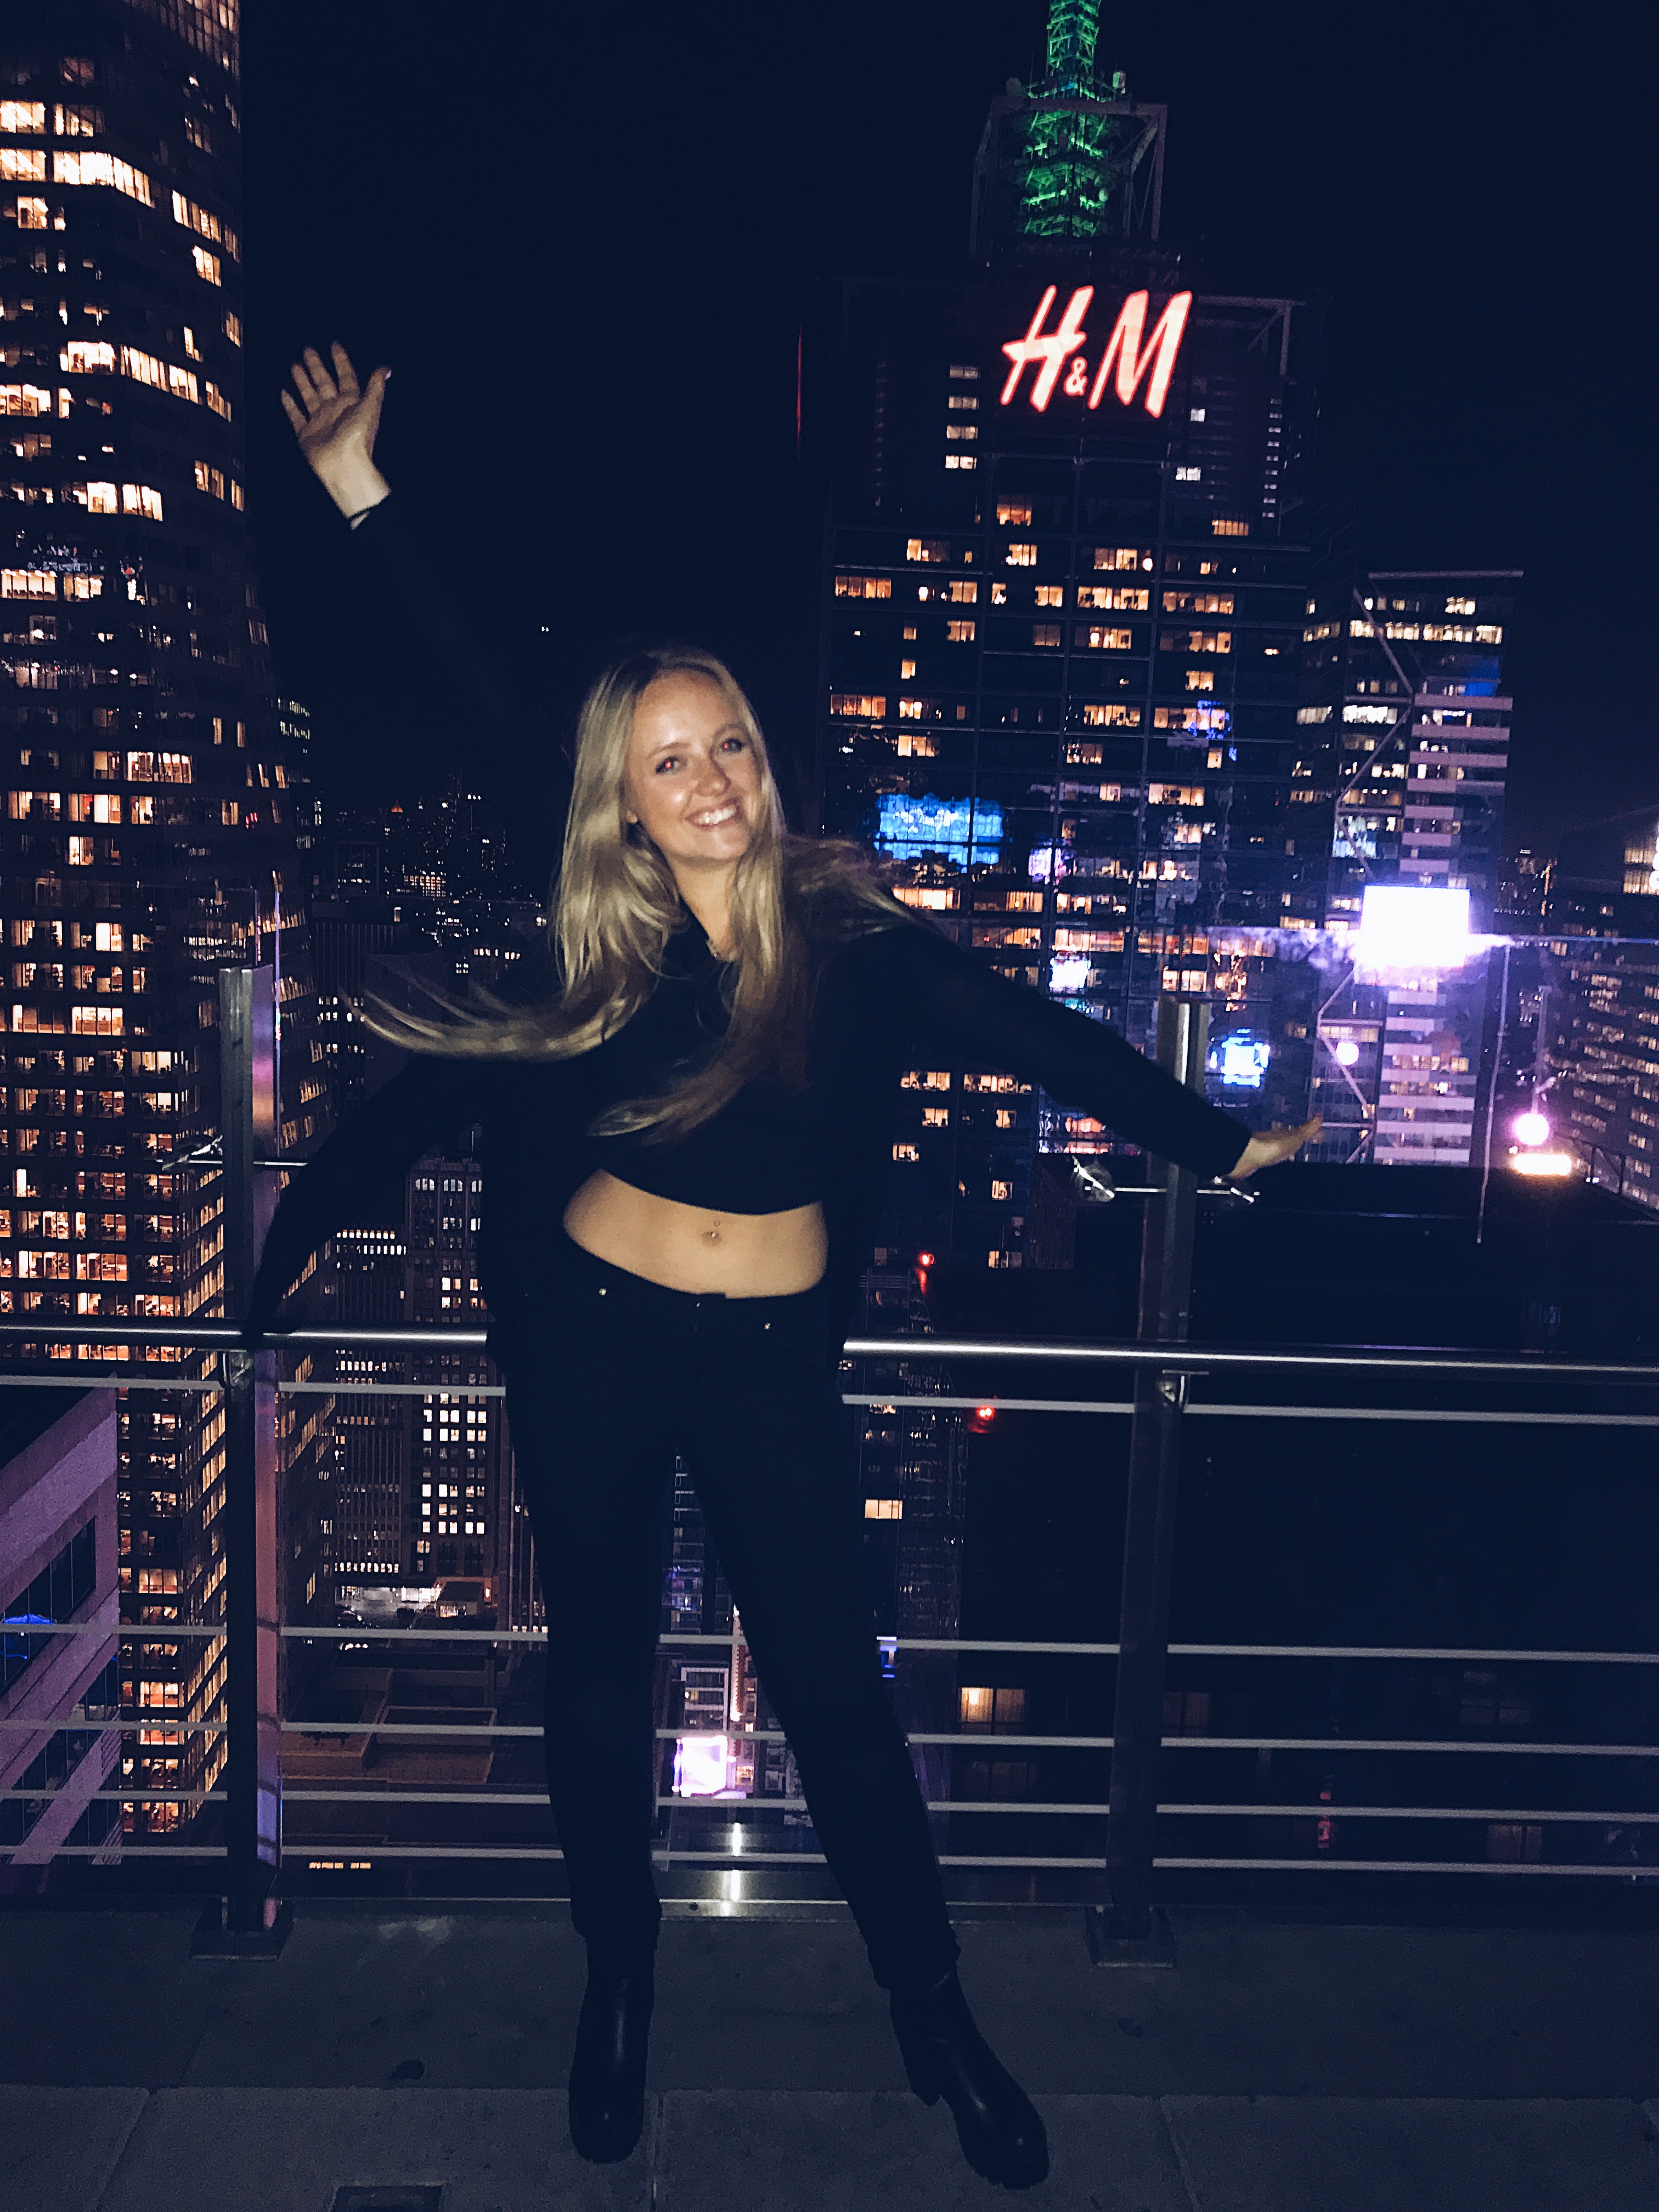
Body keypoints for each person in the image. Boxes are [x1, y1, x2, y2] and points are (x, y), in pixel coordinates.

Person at [256, 345, 1320, 2189]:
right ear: (623, 800)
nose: (713, 781)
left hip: (766, 1364)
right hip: (592, 1337)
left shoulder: (854, 944)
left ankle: (936, 2015)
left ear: (765, 755)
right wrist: (359, 490)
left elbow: (1035, 1033)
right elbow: (472, 688)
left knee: (833, 1689)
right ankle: (619, 1985)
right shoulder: (614, 942)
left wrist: (1214, 1142)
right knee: (598, 1678)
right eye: (669, 762)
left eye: (730, 744)